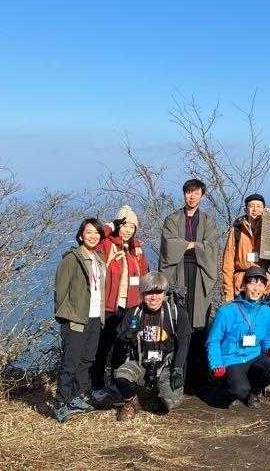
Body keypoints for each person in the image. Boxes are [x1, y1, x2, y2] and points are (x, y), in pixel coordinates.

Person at [158, 178, 219, 390]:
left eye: (196, 193)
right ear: (184, 194)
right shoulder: (172, 219)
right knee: (178, 324)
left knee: (199, 325)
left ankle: (197, 380)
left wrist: (186, 245)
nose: (191, 196)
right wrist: (194, 245)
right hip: (178, 274)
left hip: (200, 275)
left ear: (202, 195)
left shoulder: (209, 221)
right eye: (188, 192)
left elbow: (211, 247)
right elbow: (169, 246)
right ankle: (176, 376)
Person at [113, 272, 190, 419]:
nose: (154, 297)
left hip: (165, 365)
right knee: (121, 376)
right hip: (140, 362)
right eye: (149, 293)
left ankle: (156, 393)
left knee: (169, 402)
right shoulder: (134, 313)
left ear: (164, 293)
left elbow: (184, 343)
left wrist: (178, 369)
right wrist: (126, 336)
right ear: (142, 294)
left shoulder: (176, 313)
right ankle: (131, 401)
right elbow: (118, 339)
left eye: (158, 292)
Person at [53, 218, 107, 422]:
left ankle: (76, 396)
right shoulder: (72, 259)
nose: (93, 236)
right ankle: (61, 403)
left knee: (87, 360)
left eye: (96, 232)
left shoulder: (99, 259)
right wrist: (66, 315)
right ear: (81, 235)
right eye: (89, 232)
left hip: (95, 317)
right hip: (76, 319)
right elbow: (60, 290)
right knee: (71, 362)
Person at [91, 205, 150, 391]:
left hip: (130, 306)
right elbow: (93, 239)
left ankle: (116, 382)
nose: (128, 230)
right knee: (103, 346)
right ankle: (97, 385)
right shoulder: (107, 244)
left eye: (132, 227)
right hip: (110, 306)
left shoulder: (135, 249)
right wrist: (110, 225)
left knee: (122, 345)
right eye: (124, 225)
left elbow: (144, 275)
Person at [206, 266, 270, 408]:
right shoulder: (227, 311)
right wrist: (216, 364)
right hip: (232, 360)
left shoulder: (268, 313)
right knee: (240, 390)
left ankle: (253, 392)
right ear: (243, 286)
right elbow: (213, 341)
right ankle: (228, 390)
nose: (256, 288)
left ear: (265, 288)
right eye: (252, 283)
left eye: (261, 284)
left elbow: (268, 340)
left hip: (254, 357)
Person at [221, 193, 270, 303]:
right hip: (241, 283)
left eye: (259, 206)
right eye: (252, 206)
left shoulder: (268, 229)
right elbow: (227, 263)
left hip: (262, 282)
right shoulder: (237, 230)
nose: (255, 209)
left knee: (262, 313)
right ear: (246, 209)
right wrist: (228, 292)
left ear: (264, 209)